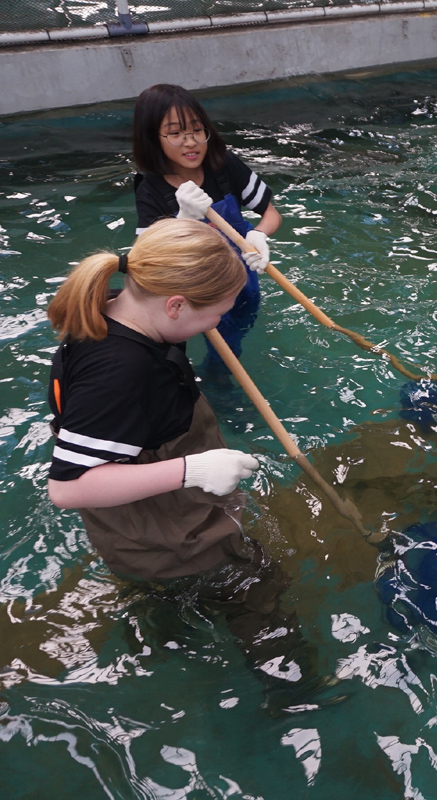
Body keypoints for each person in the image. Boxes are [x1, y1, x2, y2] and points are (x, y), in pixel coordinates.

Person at [45, 218, 324, 711]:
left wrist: (196, 227)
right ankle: (296, 696)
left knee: (166, 588)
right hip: (163, 522)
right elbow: (68, 488)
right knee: (251, 585)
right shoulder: (119, 371)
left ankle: (158, 620)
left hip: (143, 520)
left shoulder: (128, 308)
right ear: (175, 304)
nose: (215, 325)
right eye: (213, 314)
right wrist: (190, 472)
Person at [132, 83, 283, 358]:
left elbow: (271, 213)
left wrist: (258, 235)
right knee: (218, 353)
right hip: (193, 293)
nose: (190, 142)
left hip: (240, 276)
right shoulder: (151, 189)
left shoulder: (223, 165)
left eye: (197, 130)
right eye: (176, 133)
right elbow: (147, 260)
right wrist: (184, 219)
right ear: (152, 138)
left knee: (241, 327)